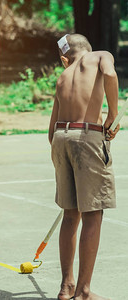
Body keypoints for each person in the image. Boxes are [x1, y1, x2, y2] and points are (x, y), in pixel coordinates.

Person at [49, 33, 119, 300]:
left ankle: (66, 287)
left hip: (60, 139)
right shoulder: (101, 56)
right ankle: (83, 291)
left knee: (70, 214)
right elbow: (110, 75)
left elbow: (52, 128)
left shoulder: (62, 77)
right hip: (86, 138)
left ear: (64, 58)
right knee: (93, 215)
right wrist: (113, 113)